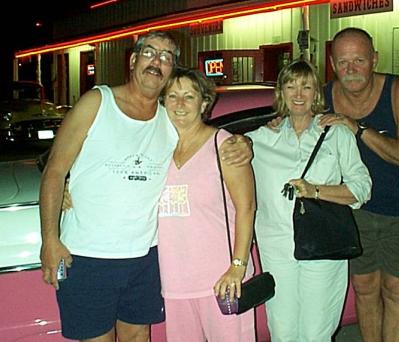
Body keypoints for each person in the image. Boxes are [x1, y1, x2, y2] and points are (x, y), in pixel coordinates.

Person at [39, 31, 252, 341]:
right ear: (133, 60)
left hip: (145, 257)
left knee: (139, 335)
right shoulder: (97, 102)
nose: (157, 61)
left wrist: (244, 143)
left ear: (170, 71)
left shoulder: (170, 122)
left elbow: (210, 139)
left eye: (166, 57)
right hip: (87, 256)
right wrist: (50, 237)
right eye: (150, 52)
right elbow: (54, 167)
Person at [320, 27, 399, 342]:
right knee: (365, 288)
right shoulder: (325, 96)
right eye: (343, 62)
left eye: (359, 60)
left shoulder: (397, 91)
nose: (351, 69)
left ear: (374, 59)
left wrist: (358, 129)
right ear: (332, 63)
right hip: (355, 209)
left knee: (396, 292)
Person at [246, 59, 372, 341]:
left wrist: (315, 190)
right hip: (277, 246)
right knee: (282, 330)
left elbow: (362, 188)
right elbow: (222, 150)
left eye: (306, 86)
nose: (298, 94)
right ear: (281, 93)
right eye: (291, 86)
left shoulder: (335, 133)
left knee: (316, 332)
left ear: (317, 92)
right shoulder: (262, 138)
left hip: (322, 244)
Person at [156, 67, 256, 341]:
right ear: (163, 101)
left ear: (203, 103)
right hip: (175, 281)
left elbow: (247, 208)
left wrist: (237, 266)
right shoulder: (156, 148)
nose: (179, 104)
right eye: (172, 96)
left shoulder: (223, 145)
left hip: (222, 279)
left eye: (189, 96)